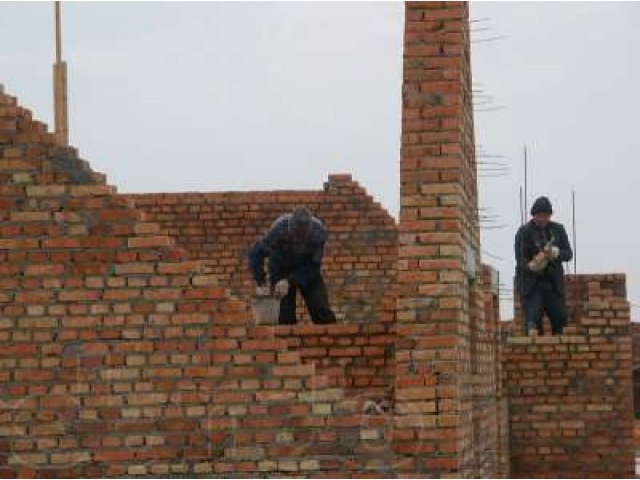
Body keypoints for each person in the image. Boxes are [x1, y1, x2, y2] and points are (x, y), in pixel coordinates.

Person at [247, 207, 336, 325]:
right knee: (285, 317)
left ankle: (331, 340)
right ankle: (289, 341)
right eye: (295, 235)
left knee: (320, 307)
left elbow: (314, 266)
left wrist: (289, 281)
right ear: (290, 228)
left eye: (302, 237)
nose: (297, 240)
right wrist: (261, 282)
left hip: (306, 269)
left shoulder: (319, 233)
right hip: (280, 268)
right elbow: (256, 253)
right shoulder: (279, 228)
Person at [515, 196, 573, 335]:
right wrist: (531, 265)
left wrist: (556, 252)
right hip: (533, 285)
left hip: (553, 285)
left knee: (561, 320)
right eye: (539, 216)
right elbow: (519, 258)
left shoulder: (558, 230)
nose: (542, 219)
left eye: (545, 216)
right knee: (533, 324)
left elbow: (568, 254)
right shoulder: (524, 232)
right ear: (533, 215)